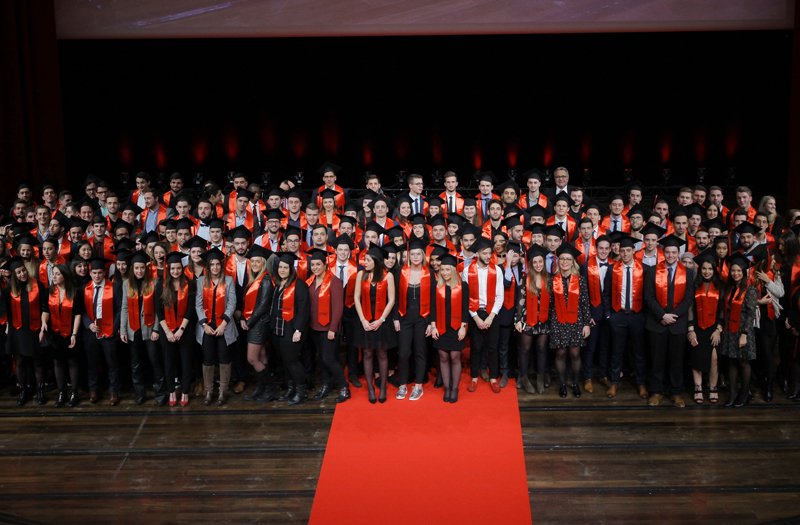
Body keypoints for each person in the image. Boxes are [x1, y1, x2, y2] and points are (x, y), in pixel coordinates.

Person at [643, 236, 695, 408]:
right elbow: (648, 297)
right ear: (663, 253)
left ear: (678, 254)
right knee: (656, 360)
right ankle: (656, 391)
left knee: (676, 361)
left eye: (674, 252)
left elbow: (688, 299)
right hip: (657, 322)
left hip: (677, 324)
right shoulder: (652, 271)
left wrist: (673, 316)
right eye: (668, 252)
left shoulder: (687, 272)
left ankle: (676, 393)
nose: (671, 255)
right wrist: (662, 315)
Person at [602, 236, 647, 398]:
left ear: (634, 251)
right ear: (618, 251)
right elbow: (606, 293)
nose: (625, 254)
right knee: (617, 351)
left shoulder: (644, 269)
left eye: (628, 250)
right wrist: (609, 316)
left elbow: (648, 296)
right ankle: (614, 383)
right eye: (622, 251)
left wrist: (644, 317)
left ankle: (641, 383)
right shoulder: (612, 269)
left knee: (639, 352)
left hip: (637, 315)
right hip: (618, 315)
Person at [121, 251, 166, 406]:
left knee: (155, 362)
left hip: (149, 329)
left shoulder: (155, 283)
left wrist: (155, 330)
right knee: (135, 364)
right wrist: (123, 330)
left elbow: (158, 309)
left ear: (146, 268)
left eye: (142, 268)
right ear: (132, 269)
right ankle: (140, 393)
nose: (139, 271)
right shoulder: (126, 284)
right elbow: (124, 308)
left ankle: (160, 393)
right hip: (133, 329)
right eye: (136, 268)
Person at [0, 257, 48, 406]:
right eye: (19, 272)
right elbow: (4, 310)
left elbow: (44, 307)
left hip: (34, 329)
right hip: (17, 330)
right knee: (19, 361)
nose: (22, 274)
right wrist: (7, 324)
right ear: (14, 275)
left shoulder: (37, 285)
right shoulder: (9, 289)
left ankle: (40, 391)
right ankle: (23, 391)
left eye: (23, 271)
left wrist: (43, 325)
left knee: (37, 362)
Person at [305, 248, 349, 403]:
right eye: (313, 265)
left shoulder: (334, 281)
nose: (315, 267)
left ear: (325, 265)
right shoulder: (310, 281)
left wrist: (333, 329)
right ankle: (326, 385)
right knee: (322, 359)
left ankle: (344, 387)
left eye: (318, 264)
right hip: (314, 327)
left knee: (328, 358)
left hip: (329, 328)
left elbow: (338, 307)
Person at [354, 245, 396, 403]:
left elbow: (391, 300)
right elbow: (356, 298)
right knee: (367, 353)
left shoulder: (388, 276)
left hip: (381, 321)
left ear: (377, 262)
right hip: (365, 320)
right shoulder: (361, 275)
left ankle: (383, 387)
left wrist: (381, 320)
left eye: (368, 260)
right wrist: (363, 320)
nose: (365, 262)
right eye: (365, 259)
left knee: (382, 354)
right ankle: (371, 389)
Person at [195, 248, 237, 406]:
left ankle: (222, 391)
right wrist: (204, 324)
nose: (215, 267)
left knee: (224, 358)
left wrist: (224, 324)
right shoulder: (201, 281)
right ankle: (208, 390)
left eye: (217, 264)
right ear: (208, 266)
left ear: (221, 265)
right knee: (208, 359)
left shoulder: (229, 280)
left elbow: (232, 303)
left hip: (224, 326)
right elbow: (198, 304)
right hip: (207, 326)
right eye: (212, 264)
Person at [549, 243, 591, 398]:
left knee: (575, 353)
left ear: (573, 262)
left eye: (568, 259)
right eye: (562, 259)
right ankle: (562, 385)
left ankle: (575, 384)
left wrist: (586, 323)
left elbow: (585, 303)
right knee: (560, 353)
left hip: (576, 321)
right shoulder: (552, 280)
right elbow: (550, 304)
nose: (564, 262)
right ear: (558, 261)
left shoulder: (580, 280)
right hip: (558, 321)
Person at [463, 237, 504, 393]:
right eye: (485, 253)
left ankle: (493, 377)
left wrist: (491, 316)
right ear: (478, 253)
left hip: (492, 311)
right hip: (475, 312)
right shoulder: (467, 271)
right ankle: (474, 377)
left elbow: (500, 296)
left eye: (490, 253)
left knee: (493, 347)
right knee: (476, 347)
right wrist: (476, 317)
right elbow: (465, 298)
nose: (488, 256)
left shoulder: (497, 270)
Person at [240, 245, 281, 403]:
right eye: (253, 262)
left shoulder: (265, 280)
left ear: (263, 263)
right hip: (255, 323)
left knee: (252, 358)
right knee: (262, 355)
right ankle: (262, 387)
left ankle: (271, 389)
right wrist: (244, 318)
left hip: (259, 324)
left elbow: (263, 306)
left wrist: (249, 322)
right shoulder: (255, 279)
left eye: (258, 261)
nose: (255, 264)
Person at [270, 252, 311, 406]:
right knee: (284, 361)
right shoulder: (277, 283)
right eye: (280, 267)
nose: (282, 270)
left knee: (292, 361)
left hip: (291, 329)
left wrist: (298, 330)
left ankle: (302, 392)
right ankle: (291, 388)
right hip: (278, 329)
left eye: (285, 267)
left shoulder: (298, 284)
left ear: (291, 269)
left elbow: (303, 309)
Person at [717, 253, 759, 407]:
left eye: (739, 271)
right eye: (733, 271)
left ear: (744, 272)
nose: (735, 273)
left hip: (742, 330)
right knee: (731, 361)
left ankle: (744, 393)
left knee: (743, 362)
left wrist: (745, 334)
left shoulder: (751, 290)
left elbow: (750, 314)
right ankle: (733, 393)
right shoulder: (729, 288)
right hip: (729, 330)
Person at [156, 251, 197, 407]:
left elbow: (190, 309)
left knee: (186, 361)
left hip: (184, 329)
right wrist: (167, 331)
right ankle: (171, 390)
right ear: (168, 269)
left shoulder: (190, 284)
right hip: (166, 329)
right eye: (172, 268)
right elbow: (158, 310)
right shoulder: (161, 285)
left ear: (182, 268)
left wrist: (180, 330)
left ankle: (185, 392)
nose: (175, 272)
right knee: (168, 362)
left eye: (178, 268)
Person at [395, 240, 433, 401]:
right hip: (404, 317)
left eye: (419, 254)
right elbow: (396, 296)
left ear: (423, 256)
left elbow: (433, 299)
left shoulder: (429, 273)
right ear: (408, 256)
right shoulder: (401, 272)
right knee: (403, 353)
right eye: (413, 254)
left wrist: (431, 322)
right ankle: (403, 384)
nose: (416, 256)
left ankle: (418, 385)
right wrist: (396, 318)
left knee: (420, 352)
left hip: (422, 318)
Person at [430, 254, 469, 403]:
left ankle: (455, 388)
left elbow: (465, 308)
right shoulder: (437, 286)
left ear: (453, 270)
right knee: (443, 357)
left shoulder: (462, 285)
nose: (445, 272)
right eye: (442, 269)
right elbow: (433, 307)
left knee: (454, 357)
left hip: (457, 327)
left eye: (448, 269)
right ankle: (447, 388)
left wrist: (463, 327)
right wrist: (433, 326)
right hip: (441, 326)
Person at [43, 264, 82, 407]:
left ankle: (74, 393)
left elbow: (78, 314)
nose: (54, 277)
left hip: (70, 331)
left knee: (72, 361)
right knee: (57, 362)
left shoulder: (74, 292)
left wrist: (74, 334)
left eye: (58, 274)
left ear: (65, 275)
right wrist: (43, 323)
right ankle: (61, 392)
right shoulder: (49, 291)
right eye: (53, 274)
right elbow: (45, 310)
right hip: (55, 332)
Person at [515, 244, 551, 394]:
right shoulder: (525, 279)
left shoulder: (549, 279)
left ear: (544, 263)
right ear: (530, 263)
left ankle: (540, 379)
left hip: (544, 318)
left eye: (540, 261)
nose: (538, 265)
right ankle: (523, 377)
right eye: (535, 262)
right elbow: (520, 301)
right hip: (527, 318)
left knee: (542, 349)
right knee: (525, 349)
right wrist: (518, 320)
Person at [687, 251, 722, 404]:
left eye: (710, 269)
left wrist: (718, 330)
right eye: (704, 269)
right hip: (697, 327)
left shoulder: (720, 286)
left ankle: (713, 388)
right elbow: (690, 308)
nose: (707, 272)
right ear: (700, 270)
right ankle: (698, 388)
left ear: (714, 270)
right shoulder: (695, 284)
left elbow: (722, 309)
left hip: (714, 329)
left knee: (714, 359)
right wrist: (690, 329)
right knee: (697, 357)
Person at [749, 245, 783, 402]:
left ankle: (769, 386)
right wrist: (758, 302)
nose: (774, 261)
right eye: (772, 258)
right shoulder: (750, 273)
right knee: (755, 355)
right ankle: (759, 380)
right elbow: (744, 297)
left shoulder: (773, 274)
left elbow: (780, 293)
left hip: (768, 320)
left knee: (768, 355)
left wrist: (768, 281)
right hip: (754, 319)